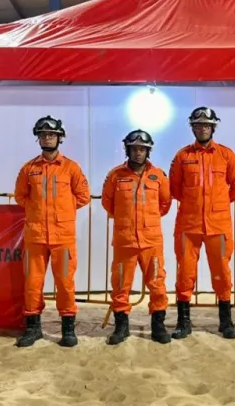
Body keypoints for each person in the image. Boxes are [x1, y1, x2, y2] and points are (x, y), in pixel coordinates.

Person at [13, 115, 91, 348]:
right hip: (35, 237)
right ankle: (33, 328)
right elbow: (20, 196)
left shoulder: (71, 168)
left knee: (65, 283)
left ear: (60, 138)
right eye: (44, 135)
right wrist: (38, 212)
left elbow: (83, 196)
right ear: (38, 138)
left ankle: (68, 329)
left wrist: (63, 211)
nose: (48, 138)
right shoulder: (29, 169)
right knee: (32, 283)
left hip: (63, 238)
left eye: (52, 134)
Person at [168, 106, 235, 339]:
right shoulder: (182, 156)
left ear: (213, 127)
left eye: (207, 125)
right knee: (185, 273)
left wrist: (217, 205)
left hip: (218, 226)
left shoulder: (226, 155)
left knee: (221, 272)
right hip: (188, 226)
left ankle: (226, 322)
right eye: (198, 124)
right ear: (192, 127)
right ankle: (183, 322)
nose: (203, 128)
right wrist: (196, 206)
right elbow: (175, 189)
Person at [100, 129, 172, 345]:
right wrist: (127, 220)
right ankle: (121, 327)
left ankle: (158, 326)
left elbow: (165, 203)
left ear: (148, 151)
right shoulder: (115, 175)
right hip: (125, 240)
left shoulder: (158, 175)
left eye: (142, 149)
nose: (138, 153)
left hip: (151, 241)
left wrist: (147, 221)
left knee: (157, 283)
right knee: (121, 284)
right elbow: (107, 202)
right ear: (127, 150)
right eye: (134, 149)